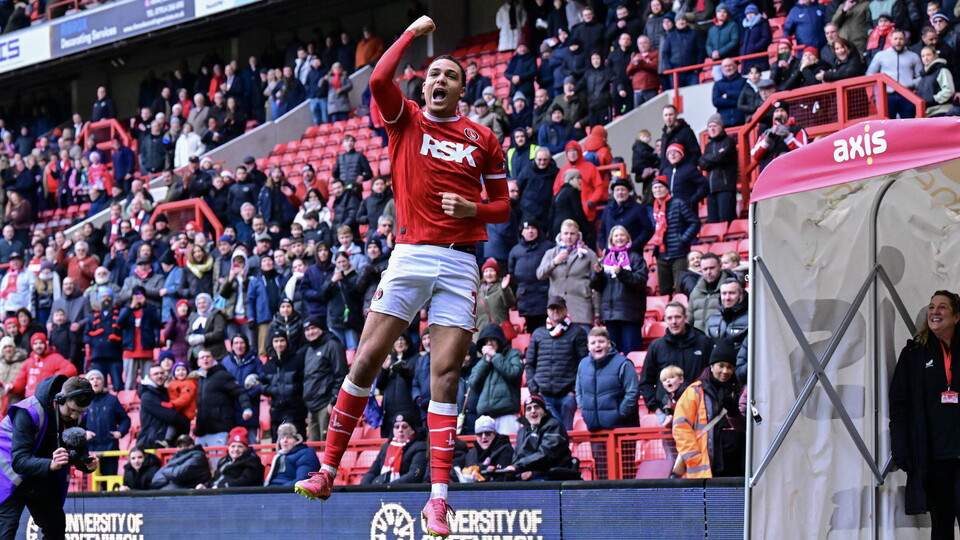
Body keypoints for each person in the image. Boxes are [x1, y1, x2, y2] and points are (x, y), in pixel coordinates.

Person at [294, 17, 511, 537]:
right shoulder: (405, 118)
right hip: (411, 254)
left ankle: (438, 501)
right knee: (366, 357)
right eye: (432, 75)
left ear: (463, 88)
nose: (438, 82)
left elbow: (502, 207)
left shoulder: (483, 138)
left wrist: (473, 211)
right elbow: (376, 81)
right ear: (424, 83)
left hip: (461, 260)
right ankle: (327, 471)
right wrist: (412, 35)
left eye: (448, 77)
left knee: (446, 376)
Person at [890, 290, 960, 535]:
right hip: (935, 459)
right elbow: (899, 405)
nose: (934, 311)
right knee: (941, 528)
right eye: (931, 307)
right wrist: (902, 450)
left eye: (942, 307)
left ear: (957, 316)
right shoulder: (913, 354)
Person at [0, 375, 98, 539]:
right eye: (72, 411)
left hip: (41, 474)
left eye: (81, 412)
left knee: (56, 525)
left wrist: (85, 463)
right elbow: (19, 461)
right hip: (9, 474)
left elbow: (78, 452)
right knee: (6, 532)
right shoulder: (28, 412)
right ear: (59, 399)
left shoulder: (77, 413)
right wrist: (50, 464)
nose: (75, 417)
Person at [672, 337, 745, 478]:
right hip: (705, 467)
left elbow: (749, 425)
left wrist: (734, 413)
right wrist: (694, 458)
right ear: (711, 366)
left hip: (736, 467)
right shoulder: (694, 391)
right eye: (721, 365)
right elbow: (681, 427)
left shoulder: (739, 392)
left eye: (729, 367)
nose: (725, 371)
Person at [523, 296, 589, 430]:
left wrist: (573, 391)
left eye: (558, 308)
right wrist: (535, 390)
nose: (555, 311)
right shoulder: (538, 333)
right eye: (552, 309)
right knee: (551, 433)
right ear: (547, 311)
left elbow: (584, 364)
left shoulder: (578, 332)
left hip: (567, 395)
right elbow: (529, 363)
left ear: (565, 310)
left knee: (566, 434)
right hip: (544, 394)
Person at [639, 302, 713, 417]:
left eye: (677, 317)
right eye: (670, 318)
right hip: (668, 414)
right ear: (665, 320)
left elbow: (712, 376)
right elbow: (645, 382)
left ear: (685, 318)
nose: (674, 322)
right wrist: (658, 411)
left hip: (700, 411)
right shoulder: (657, 346)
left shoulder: (703, 342)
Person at [591, 226, 648, 354]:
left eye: (622, 235)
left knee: (631, 354)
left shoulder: (636, 258)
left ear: (628, 238)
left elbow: (640, 281)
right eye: (616, 236)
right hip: (610, 315)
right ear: (611, 239)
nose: (619, 238)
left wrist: (622, 273)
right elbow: (597, 286)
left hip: (630, 315)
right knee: (612, 355)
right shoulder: (605, 260)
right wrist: (598, 274)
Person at [576, 327, 640, 430]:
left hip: (621, 429)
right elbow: (579, 392)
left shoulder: (623, 363)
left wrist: (621, 413)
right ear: (588, 347)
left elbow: (632, 392)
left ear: (609, 343)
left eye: (601, 341)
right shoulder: (583, 364)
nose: (597, 345)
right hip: (594, 429)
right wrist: (585, 412)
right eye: (593, 343)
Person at [502, 394, 576, 481]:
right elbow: (517, 455)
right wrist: (518, 472)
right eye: (529, 408)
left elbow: (547, 454)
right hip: (527, 474)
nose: (533, 411)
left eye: (536, 407)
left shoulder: (554, 426)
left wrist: (519, 467)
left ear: (544, 411)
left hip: (551, 475)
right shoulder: (522, 431)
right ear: (525, 414)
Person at [537, 219, 595, 330]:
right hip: (558, 310)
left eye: (572, 234)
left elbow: (597, 284)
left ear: (578, 235)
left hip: (581, 309)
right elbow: (540, 275)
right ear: (561, 235)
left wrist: (597, 310)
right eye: (566, 233)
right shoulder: (551, 253)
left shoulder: (589, 254)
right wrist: (554, 262)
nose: (569, 237)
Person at [193, 349, 254, 450]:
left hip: (219, 430)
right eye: (202, 358)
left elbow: (240, 393)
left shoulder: (223, 375)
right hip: (201, 432)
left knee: (218, 464)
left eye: (207, 357)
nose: (205, 360)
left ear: (213, 359)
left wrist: (246, 408)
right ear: (198, 362)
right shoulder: (199, 380)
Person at [469, 324, 523, 435]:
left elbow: (514, 373)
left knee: (508, 450)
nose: (489, 343)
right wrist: (486, 361)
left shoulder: (513, 354)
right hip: (486, 417)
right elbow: (473, 383)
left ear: (500, 340)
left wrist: (495, 356)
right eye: (486, 341)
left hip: (507, 415)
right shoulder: (482, 362)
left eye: (492, 339)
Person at [300, 317, 347, 442]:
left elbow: (341, 375)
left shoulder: (333, 345)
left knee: (326, 443)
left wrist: (333, 401)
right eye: (307, 330)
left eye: (313, 328)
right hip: (311, 406)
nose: (310, 332)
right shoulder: (309, 350)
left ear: (321, 329)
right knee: (314, 445)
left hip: (326, 405)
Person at [866, 29, 922, 119]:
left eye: (901, 39)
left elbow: (920, 76)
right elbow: (870, 73)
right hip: (887, 95)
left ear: (905, 40)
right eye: (895, 39)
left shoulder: (913, 56)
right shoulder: (881, 55)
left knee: (908, 122)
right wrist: (877, 90)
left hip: (907, 94)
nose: (898, 41)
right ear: (891, 39)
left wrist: (911, 83)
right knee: (888, 122)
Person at [83, 369, 130, 476]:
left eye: (98, 378)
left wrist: (120, 432)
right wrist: (83, 434)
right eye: (92, 379)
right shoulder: (82, 401)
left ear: (103, 382)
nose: (95, 381)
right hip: (89, 450)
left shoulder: (112, 400)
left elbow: (125, 419)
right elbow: (74, 423)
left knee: (109, 483)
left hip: (110, 447)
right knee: (91, 486)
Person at [262, 331, 307, 440]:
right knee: (278, 444)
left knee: (297, 443)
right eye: (276, 341)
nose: (279, 344)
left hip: (296, 411)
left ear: (287, 342)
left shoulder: (297, 360)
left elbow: (304, 382)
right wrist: (271, 390)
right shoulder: (269, 364)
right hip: (276, 412)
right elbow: (263, 386)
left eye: (282, 341)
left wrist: (293, 388)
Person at [361, 414, 428, 484]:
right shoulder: (386, 447)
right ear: (393, 430)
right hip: (383, 487)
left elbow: (415, 474)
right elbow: (372, 472)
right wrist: (364, 488)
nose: (400, 430)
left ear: (412, 430)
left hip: (403, 490)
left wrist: (389, 487)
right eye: (397, 427)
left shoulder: (420, 447)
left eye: (404, 427)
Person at [508, 222, 551, 330]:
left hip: (544, 297)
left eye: (533, 228)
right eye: (527, 228)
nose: (530, 231)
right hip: (525, 299)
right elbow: (511, 275)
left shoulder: (548, 247)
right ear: (521, 232)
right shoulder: (515, 250)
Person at [117, 286, 161, 391]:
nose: (138, 298)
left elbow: (157, 322)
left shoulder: (150, 309)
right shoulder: (126, 310)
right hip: (130, 349)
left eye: (140, 296)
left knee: (149, 380)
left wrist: (145, 306)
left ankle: (148, 400)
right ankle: (128, 402)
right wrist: (130, 308)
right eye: (136, 296)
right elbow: (119, 323)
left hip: (146, 349)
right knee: (129, 381)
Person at [221, 335, 264, 443]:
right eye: (236, 343)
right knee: (233, 446)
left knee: (252, 445)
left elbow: (263, 382)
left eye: (242, 343)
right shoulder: (226, 362)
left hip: (250, 410)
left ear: (246, 345)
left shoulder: (255, 361)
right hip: (231, 411)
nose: (239, 346)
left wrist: (247, 395)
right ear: (231, 346)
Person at [8, 334, 77, 400]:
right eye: (35, 344)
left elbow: (72, 370)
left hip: (48, 399)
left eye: (41, 343)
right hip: (30, 400)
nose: (38, 346)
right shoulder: (28, 362)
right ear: (32, 346)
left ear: (45, 344)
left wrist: (53, 377)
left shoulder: (55, 358)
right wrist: (12, 387)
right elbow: (21, 382)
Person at [137, 363, 187, 448]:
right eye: (156, 374)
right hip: (151, 443)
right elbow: (170, 416)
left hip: (168, 442)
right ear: (149, 377)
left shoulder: (166, 392)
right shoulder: (147, 396)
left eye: (162, 373)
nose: (160, 376)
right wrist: (185, 422)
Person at [750, 99, 809, 172]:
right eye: (776, 111)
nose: (779, 114)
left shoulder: (797, 129)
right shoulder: (766, 132)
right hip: (770, 174)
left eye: (782, 111)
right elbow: (754, 155)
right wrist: (766, 140)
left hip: (791, 172)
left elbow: (804, 151)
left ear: (787, 113)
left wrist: (788, 137)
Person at [197, 427, 264, 489]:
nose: (236, 449)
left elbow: (246, 480)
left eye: (240, 446)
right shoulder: (224, 460)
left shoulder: (252, 460)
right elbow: (216, 478)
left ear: (246, 448)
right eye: (233, 446)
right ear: (228, 448)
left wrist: (223, 487)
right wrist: (205, 486)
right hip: (217, 492)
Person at [461, 416, 515, 482]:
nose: (484, 437)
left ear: (494, 434)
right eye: (480, 434)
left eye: (487, 433)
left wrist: (480, 471)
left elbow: (503, 478)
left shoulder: (505, 449)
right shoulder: (472, 453)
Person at [688, 253, 730, 333]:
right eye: (705, 269)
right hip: (698, 342)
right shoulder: (695, 292)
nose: (708, 272)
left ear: (720, 266)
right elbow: (689, 320)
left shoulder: (729, 290)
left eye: (712, 268)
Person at [918, 46, 956, 117]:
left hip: (941, 111)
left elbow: (949, 90)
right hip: (927, 113)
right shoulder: (923, 75)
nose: (925, 58)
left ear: (935, 56)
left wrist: (934, 99)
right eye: (923, 56)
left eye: (928, 55)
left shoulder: (942, 70)